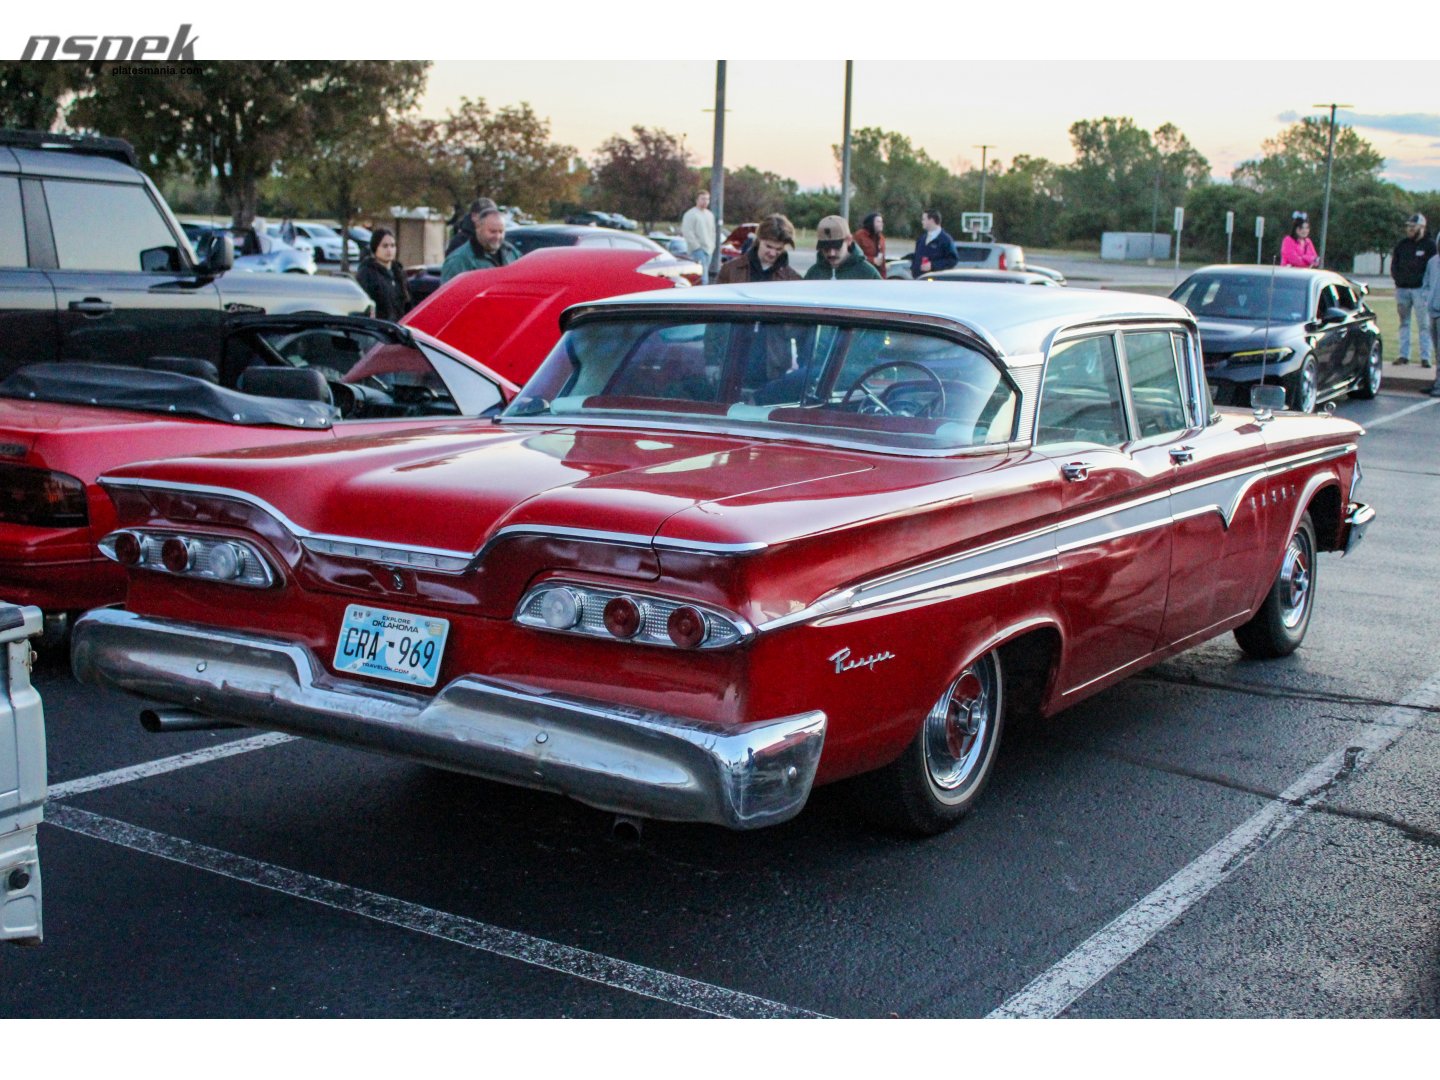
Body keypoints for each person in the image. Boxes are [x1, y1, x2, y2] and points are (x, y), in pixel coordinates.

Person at [1391, 213, 1436, 367]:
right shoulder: (1402, 244)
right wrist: (1398, 280)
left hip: (1420, 291)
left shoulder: (1430, 246)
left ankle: (1425, 357)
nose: (1409, 229)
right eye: (1408, 226)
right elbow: (1394, 264)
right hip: (1403, 290)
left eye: (1413, 226)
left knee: (1424, 324)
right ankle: (1404, 355)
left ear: (1422, 227)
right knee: (1404, 322)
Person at [440, 204, 519, 282]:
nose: (497, 236)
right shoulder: (458, 261)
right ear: (478, 228)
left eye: (501, 232)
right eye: (492, 231)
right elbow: (450, 293)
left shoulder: (512, 253)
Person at [716, 213, 801, 284]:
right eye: (768, 246)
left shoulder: (793, 279)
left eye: (779, 249)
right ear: (759, 239)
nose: (772, 253)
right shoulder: (729, 270)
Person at [354, 227, 411, 321]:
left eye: (392, 246)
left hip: (399, 328)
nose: (389, 250)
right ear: (375, 247)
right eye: (385, 246)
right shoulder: (367, 273)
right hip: (379, 328)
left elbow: (407, 302)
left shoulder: (398, 272)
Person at [804, 215, 881, 281]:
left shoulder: (868, 273)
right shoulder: (813, 274)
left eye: (837, 247)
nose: (831, 253)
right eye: (826, 248)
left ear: (849, 241)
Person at [681, 190, 717, 284]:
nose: (705, 201)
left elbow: (713, 232)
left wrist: (712, 246)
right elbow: (687, 232)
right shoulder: (690, 214)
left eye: (707, 199)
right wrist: (697, 247)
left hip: (709, 250)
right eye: (703, 199)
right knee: (702, 278)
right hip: (697, 251)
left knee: (705, 276)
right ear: (697, 200)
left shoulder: (710, 215)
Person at [910, 210, 958, 277]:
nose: (922, 222)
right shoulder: (922, 238)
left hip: (935, 281)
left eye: (924, 219)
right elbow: (916, 256)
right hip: (919, 280)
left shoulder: (946, 239)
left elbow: (952, 260)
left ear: (931, 220)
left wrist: (932, 265)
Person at [1424, 246, 1440, 395]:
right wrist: (1426, 299)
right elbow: (1427, 283)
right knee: (1437, 351)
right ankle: (1437, 382)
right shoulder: (1433, 262)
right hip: (1433, 311)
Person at [852, 212, 887, 278]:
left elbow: (883, 261)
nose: (881, 224)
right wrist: (872, 260)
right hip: (861, 275)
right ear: (871, 222)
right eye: (878, 221)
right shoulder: (860, 236)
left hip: (876, 275)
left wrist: (883, 279)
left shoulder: (882, 238)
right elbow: (853, 256)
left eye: (882, 222)